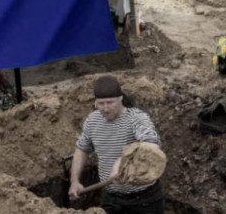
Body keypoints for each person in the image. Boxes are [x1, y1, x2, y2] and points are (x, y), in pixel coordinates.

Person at [69, 75, 165, 214]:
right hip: (111, 198)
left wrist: (123, 160)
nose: (105, 108)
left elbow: (152, 144)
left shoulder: (136, 118)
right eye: (101, 103)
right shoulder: (93, 121)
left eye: (110, 102)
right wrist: (74, 181)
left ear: (120, 99)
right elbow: (81, 149)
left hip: (144, 199)